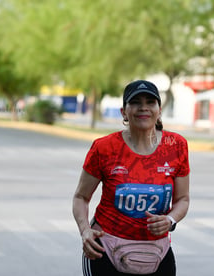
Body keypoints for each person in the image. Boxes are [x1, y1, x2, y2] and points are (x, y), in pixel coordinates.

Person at [72, 80, 190, 276]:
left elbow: (183, 199)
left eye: (150, 102)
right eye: (135, 102)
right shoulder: (104, 148)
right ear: (123, 112)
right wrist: (85, 231)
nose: (143, 107)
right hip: (106, 248)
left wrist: (170, 219)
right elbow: (81, 198)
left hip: (157, 251)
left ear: (159, 110)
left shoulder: (176, 146)